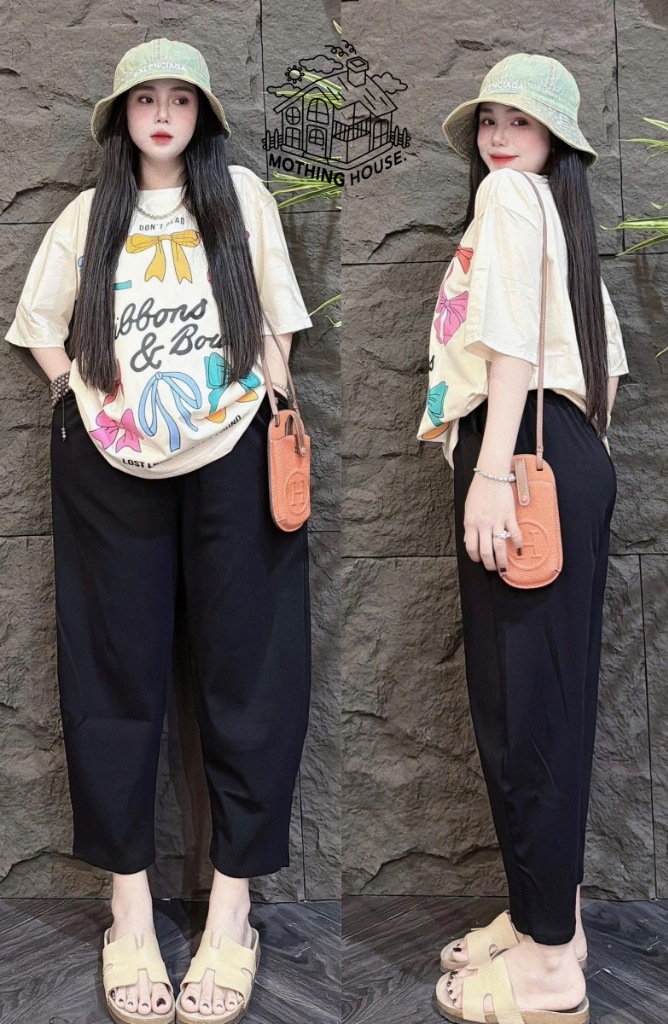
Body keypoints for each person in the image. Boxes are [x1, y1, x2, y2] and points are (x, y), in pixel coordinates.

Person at [6, 39, 312, 1024]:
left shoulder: (242, 201)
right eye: (148, 100)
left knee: (249, 676)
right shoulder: (90, 214)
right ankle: (128, 909)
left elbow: (279, 325)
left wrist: (275, 413)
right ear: (123, 118)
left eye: (182, 99)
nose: (165, 114)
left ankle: (232, 912)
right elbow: (38, 324)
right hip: (109, 470)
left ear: (204, 116)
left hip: (235, 457)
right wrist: (80, 396)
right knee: (113, 676)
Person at [416, 53, 629, 1024]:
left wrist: (493, 469)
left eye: (522, 122)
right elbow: (607, 371)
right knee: (548, 706)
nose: (501, 137)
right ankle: (553, 922)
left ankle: (546, 972)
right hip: (566, 452)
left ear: (555, 142)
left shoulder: (508, 200)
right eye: (491, 121)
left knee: (522, 714)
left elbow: (506, 345)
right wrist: (565, 460)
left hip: (523, 453)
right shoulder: (557, 216)